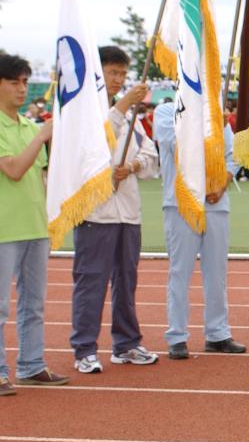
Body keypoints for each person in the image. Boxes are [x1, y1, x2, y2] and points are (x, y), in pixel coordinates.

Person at [68, 46, 161, 374]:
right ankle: (84, 348)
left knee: (127, 281)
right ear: (98, 73)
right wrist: (123, 105)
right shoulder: (85, 113)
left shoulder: (134, 120)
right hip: (96, 214)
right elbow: (97, 143)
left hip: (128, 214)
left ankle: (126, 344)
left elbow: (151, 157)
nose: (118, 79)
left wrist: (133, 165)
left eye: (122, 74)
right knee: (91, 281)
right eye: (112, 73)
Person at [153, 99, 245, 359]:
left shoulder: (216, 114)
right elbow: (176, 145)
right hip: (181, 203)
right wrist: (203, 123)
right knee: (180, 272)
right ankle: (177, 336)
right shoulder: (166, 112)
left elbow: (233, 154)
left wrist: (224, 181)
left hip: (215, 204)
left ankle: (217, 334)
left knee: (217, 273)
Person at [0, 52, 68, 394]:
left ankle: (31, 364)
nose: (22, 88)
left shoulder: (28, 125)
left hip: (34, 227)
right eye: (14, 81)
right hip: (4, 229)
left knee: (34, 303)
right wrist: (41, 137)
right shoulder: (27, 130)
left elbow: (42, 176)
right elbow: (13, 169)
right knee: (0, 306)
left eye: (25, 81)